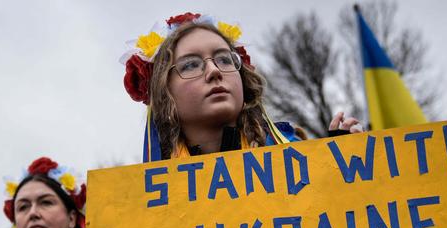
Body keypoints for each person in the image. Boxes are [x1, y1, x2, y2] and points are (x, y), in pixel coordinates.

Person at [122, 12, 363, 161]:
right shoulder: (142, 206)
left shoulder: (299, 160)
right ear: (163, 93)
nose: (214, 71)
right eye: (190, 65)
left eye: (225, 59)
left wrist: (341, 171)